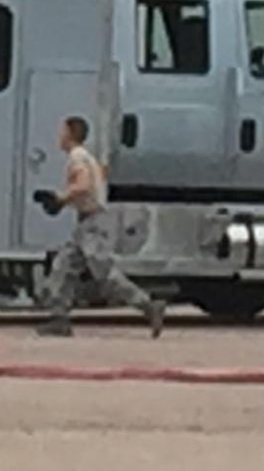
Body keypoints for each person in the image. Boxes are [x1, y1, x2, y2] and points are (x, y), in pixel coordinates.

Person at [33, 115, 165, 337]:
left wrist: (60, 198)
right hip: (88, 223)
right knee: (63, 267)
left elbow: (83, 185)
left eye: (62, 132)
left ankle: (148, 306)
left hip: (94, 224)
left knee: (104, 274)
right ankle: (59, 318)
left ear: (70, 134)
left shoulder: (77, 157)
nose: (59, 136)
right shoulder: (87, 156)